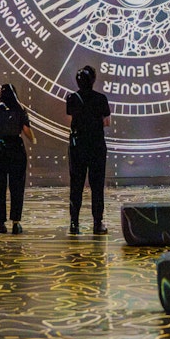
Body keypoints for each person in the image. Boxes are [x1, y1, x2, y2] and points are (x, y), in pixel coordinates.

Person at [0, 83, 36, 234]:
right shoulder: (20, 109)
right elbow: (27, 130)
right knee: (17, 187)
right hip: (16, 149)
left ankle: (0, 223)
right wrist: (33, 140)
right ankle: (16, 223)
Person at [66, 65, 111, 235]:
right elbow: (107, 121)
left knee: (76, 185)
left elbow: (71, 117)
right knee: (97, 186)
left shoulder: (72, 98)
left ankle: (74, 223)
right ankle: (97, 223)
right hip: (96, 145)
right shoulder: (101, 98)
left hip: (78, 145)